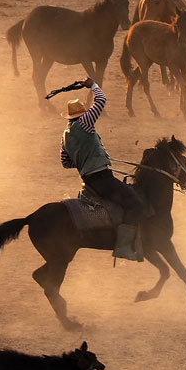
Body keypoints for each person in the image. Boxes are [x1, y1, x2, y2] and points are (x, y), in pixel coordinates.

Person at [60, 77, 144, 261]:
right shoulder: (85, 122)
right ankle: (123, 247)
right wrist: (93, 86)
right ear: (81, 114)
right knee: (135, 204)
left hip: (88, 181)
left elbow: (66, 162)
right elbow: (101, 101)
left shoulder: (65, 136)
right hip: (102, 179)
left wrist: (86, 159)